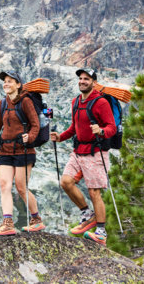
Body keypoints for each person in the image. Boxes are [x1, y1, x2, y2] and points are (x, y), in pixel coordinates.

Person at [0, 70, 45, 235]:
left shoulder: (26, 102)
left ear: (18, 84)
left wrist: (30, 137)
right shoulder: (2, 104)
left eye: (10, 81)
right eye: (5, 81)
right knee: (4, 185)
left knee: (21, 187)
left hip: (24, 150)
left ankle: (36, 219)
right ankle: (8, 223)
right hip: (5, 151)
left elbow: (35, 125)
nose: (6, 84)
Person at [50, 68, 116, 245]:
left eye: (86, 79)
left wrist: (101, 131)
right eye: (80, 78)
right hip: (78, 151)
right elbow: (74, 128)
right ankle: (87, 213)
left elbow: (112, 127)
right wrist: (60, 137)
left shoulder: (101, 102)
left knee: (94, 192)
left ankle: (101, 232)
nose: (82, 81)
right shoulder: (75, 101)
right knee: (65, 182)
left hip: (96, 152)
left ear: (94, 82)